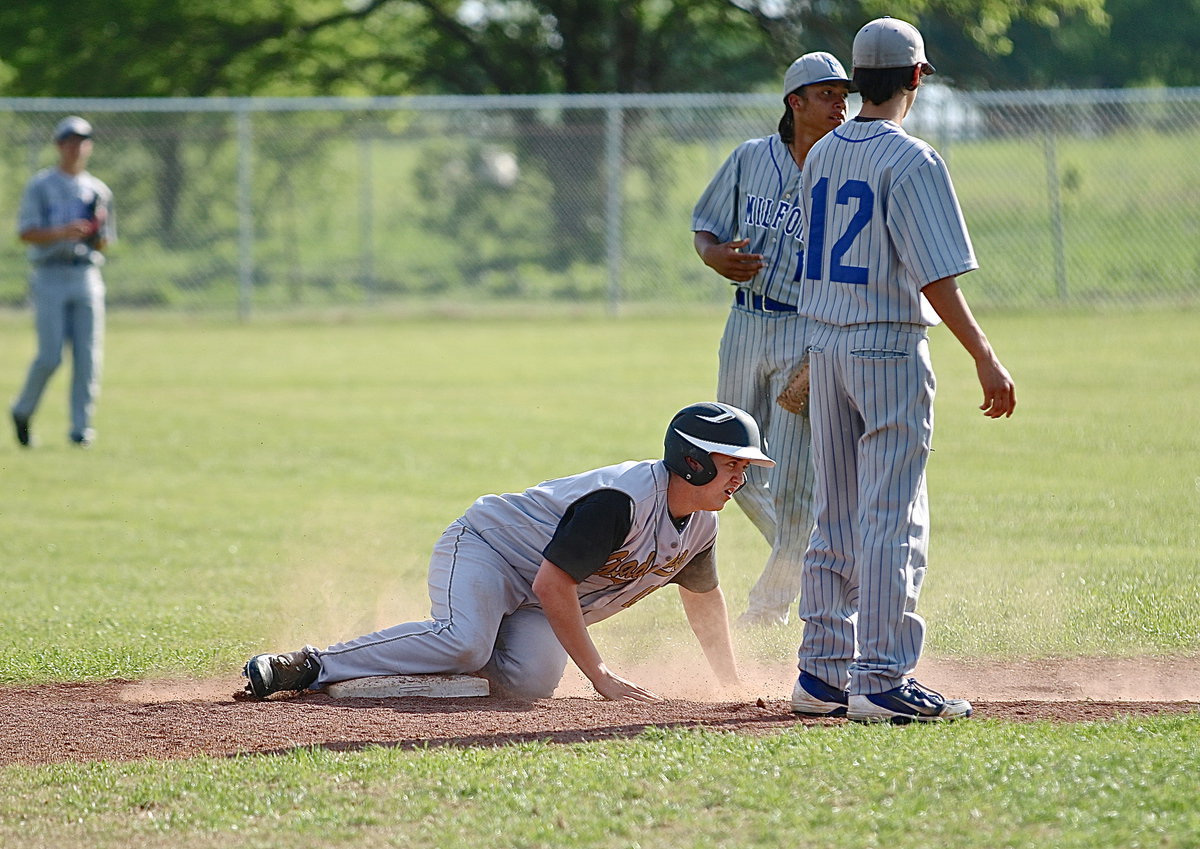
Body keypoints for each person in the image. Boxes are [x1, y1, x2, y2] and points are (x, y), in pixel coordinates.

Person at [790, 17, 1017, 723]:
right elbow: (937, 276)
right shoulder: (913, 160)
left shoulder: (822, 152)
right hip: (886, 344)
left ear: (858, 80)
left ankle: (822, 674)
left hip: (825, 343)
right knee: (893, 513)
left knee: (836, 509)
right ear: (916, 78)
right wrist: (984, 354)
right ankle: (882, 678)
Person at [242, 402, 775, 702]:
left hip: (540, 593)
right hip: (490, 549)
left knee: (530, 684)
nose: (740, 478)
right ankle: (312, 666)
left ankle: (393, 673)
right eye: (733, 464)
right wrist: (601, 676)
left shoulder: (700, 524)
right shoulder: (622, 501)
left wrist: (728, 681)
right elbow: (552, 584)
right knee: (466, 644)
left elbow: (705, 600)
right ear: (693, 462)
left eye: (744, 468)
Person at [691, 52, 853, 627]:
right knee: (729, 465)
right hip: (744, 323)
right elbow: (704, 225)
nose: (841, 103)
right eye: (829, 94)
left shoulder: (845, 170)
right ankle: (810, 557)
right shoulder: (749, 159)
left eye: (845, 94)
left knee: (793, 480)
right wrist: (713, 256)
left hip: (805, 330)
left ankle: (769, 605)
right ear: (796, 102)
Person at [11, 115, 114, 449]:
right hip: (50, 274)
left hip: (86, 273)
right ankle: (22, 410)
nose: (76, 148)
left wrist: (95, 233)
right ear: (58, 146)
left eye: (82, 141)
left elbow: (106, 240)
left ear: (90, 147)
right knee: (50, 356)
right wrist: (61, 232)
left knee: (88, 356)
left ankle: (81, 429)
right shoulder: (41, 185)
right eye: (69, 141)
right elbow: (25, 233)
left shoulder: (98, 189)